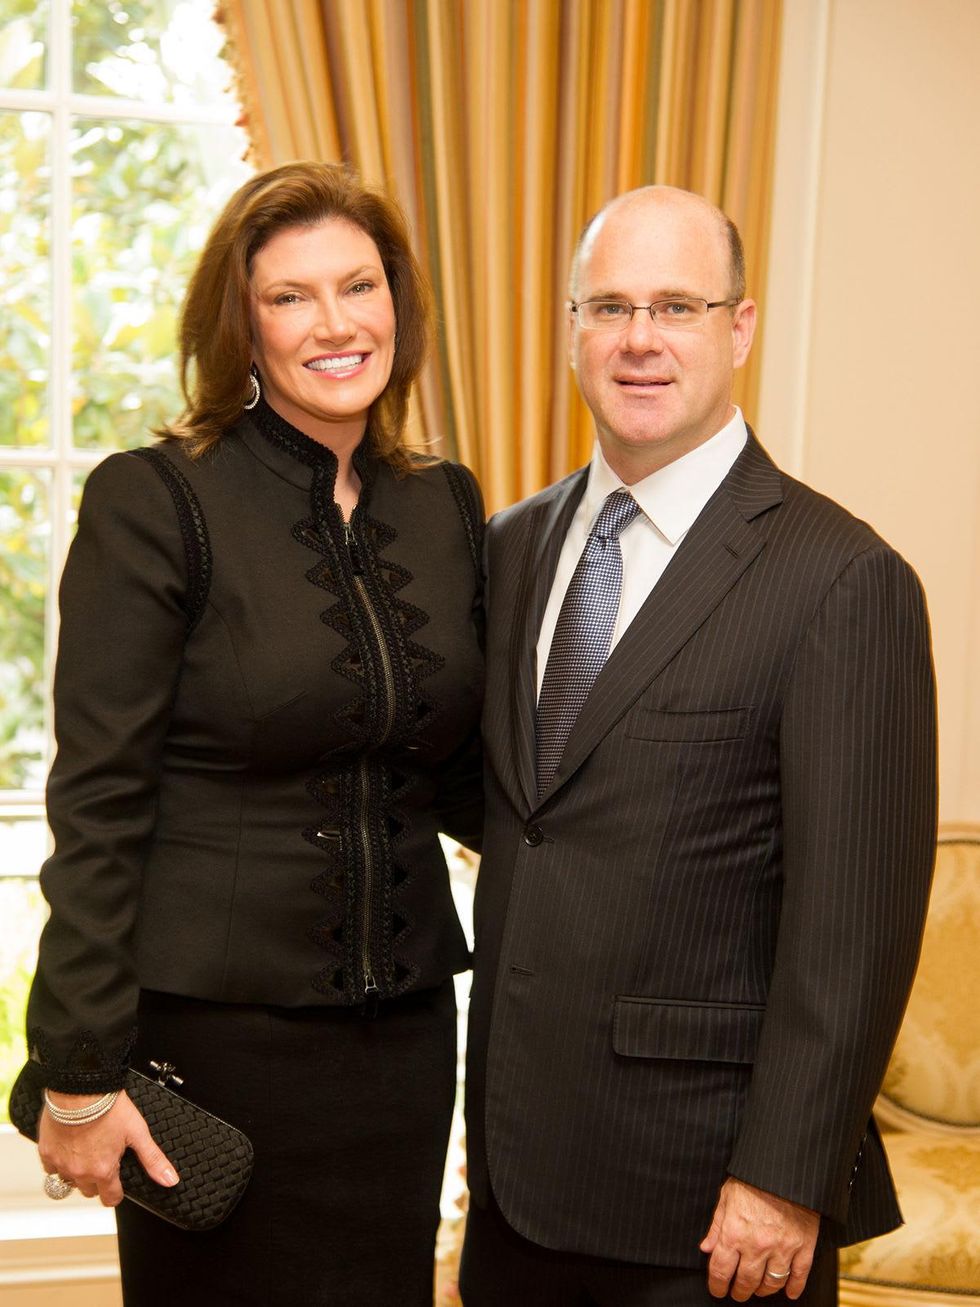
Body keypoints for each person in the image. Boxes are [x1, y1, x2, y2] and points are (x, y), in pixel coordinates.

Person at [460, 186, 937, 1306]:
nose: (637, 339)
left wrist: (782, 1175)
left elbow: (853, 923)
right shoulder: (509, 548)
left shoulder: (840, 580)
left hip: (712, 1210)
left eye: (675, 305)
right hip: (513, 1184)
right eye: (608, 306)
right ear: (570, 327)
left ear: (739, 325)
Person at [23, 161, 484, 1306]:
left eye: (358, 285)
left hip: (405, 1047)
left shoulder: (445, 503)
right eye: (290, 296)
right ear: (242, 324)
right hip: (218, 1053)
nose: (334, 323)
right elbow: (98, 802)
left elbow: (474, 779)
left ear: (398, 305)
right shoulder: (156, 498)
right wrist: (78, 1075)